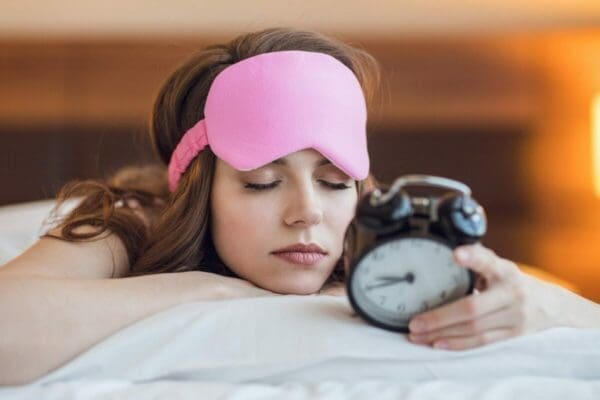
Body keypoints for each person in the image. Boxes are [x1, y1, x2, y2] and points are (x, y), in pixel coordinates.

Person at [0, 27, 598, 386]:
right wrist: (206, 290)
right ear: (199, 194)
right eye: (262, 181)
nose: (307, 213)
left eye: (335, 181)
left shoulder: (397, 245)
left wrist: (536, 301)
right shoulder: (132, 222)